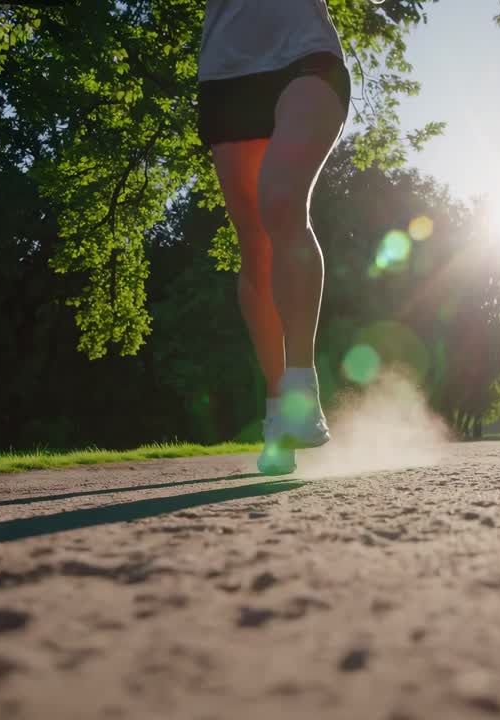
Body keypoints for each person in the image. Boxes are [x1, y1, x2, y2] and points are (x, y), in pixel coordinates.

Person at [197, 1, 350, 475]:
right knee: (256, 246)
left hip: (306, 54)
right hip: (227, 71)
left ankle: (302, 387)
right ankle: (278, 407)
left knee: (282, 203)